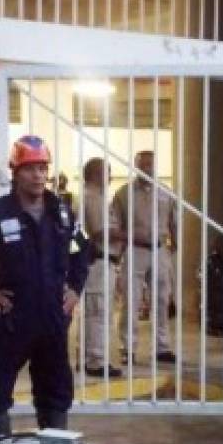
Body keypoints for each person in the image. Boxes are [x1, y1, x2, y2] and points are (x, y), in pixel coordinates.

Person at [0, 135, 90, 439]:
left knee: (56, 390)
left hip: (52, 320)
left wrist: (75, 289)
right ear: (15, 171)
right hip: (10, 321)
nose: (38, 175)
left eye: (42, 167)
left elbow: (81, 252)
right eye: (30, 168)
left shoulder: (61, 213)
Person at [114, 150, 177, 363]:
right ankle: (127, 349)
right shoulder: (124, 194)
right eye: (142, 165)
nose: (147, 168)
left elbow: (174, 222)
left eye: (150, 164)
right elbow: (115, 225)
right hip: (134, 251)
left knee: (161, 301)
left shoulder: (166, 193)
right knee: (130, 302)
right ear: (135, 166)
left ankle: (162, 347)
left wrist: (172, 249)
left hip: (160, 251)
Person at [80, 157, 123, 378]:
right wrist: (128, 234)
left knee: (95, 311)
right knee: (98, 312)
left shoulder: (93, 196)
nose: (110, 177)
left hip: (100, 261)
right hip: (99, 260)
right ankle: (96, 361)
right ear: (96, 174)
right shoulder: (93, 197)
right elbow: (99, 231)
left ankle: (87, 356)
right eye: (107, 173)